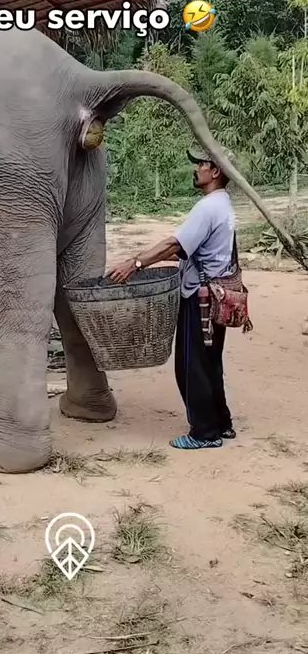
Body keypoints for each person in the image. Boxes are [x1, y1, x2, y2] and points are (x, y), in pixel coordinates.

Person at [106, 146, 238, 450]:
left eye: (200, 164)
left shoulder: (207, 207)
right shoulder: (224, 204)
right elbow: (192, 249)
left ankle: (204, 433)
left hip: (200, 298)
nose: (195, 169)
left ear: (215, 171)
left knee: (191, 366)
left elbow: (173, 245)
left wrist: (135, 263)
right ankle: (222, 422)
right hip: (219, 295)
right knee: (210, 362)